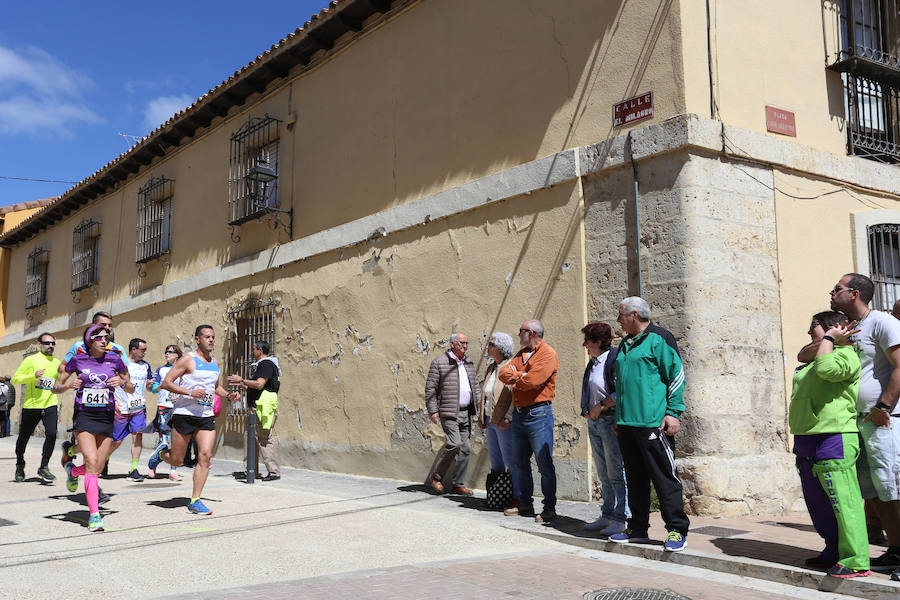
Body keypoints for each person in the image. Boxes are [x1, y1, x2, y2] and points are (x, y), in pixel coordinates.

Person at [825, 273, 900, 581]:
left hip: (884, 420)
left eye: (837, 289)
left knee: (895, 488)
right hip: (856, 421)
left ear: (854, 293)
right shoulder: (846, 327)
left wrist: (884, 405)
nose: (831, 292)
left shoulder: (883, 322)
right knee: (876, 492)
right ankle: (896, 549)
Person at [791, 311, 870, 578]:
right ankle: (834, 549)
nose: (809, 332)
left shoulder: (845, 356)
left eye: (813, 326)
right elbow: (803, 354)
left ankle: (856, 559)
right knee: (818, 502)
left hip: (833, 436)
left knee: (842, 501)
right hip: (807, 437)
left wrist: (829, 339)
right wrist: (826, 339)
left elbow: (826, 369)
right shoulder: (817, 354)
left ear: (831, 329)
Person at [610, 297, 690, 552]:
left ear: (634, 314)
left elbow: (676, 376)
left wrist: (673, 412)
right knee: (635, 478)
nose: (618, 320)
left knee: (664, 477)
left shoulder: (660, 339)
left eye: (621, 315)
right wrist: (618, 417)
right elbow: (622, 385)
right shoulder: (625, 343)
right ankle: (638, 528)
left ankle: (677, 530)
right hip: (626, 424)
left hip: (653, 423)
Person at [148, 325, 239, 515]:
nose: (211, 340)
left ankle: (195, 500)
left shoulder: (215, 362)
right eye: (207, 337)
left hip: (205, 416)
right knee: (177, 459)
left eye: (213, 337)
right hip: (184, 414)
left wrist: (228, 396)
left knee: (204, 457)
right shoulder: (187, 360)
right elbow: (166, 383)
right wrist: (190, 392)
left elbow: (215, 387)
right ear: (197, 339)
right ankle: (161, 454)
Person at [58, 324, 133, 532]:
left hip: (106, 417)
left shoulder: (115, 360)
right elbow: (57, 386)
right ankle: (94, 515)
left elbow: (131, 386)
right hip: (84, 416)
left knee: (97, 468)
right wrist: (67, 386)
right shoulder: (78, 360)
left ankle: (73, 470)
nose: (104, 339)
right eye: (98, 336)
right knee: (91, 461)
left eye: (106, 336)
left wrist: (122, 382)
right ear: (89, 341)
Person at [499, 319, 559, 523]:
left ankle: (549, 508)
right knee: (519, 462)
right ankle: (525, 503)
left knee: (544, 464)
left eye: (521, 331)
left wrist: (518, 376)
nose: (518, 335)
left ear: (532, 333)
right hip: (520, 413)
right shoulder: (520, 354)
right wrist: (522, 375)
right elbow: (502, 373)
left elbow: (534, 381)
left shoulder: (547, 353)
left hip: (539, 414)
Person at [59, 311, 129, 475]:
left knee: (113, 444)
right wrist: (79, 377)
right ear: (92, 327)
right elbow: (63, 367)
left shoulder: (117, 350)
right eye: (103, 325)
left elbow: (125, 376)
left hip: (112, 400)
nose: (107, 329)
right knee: (92, 458)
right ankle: (94, 486)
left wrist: (120, 392)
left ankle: (75, 461)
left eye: (110, 326)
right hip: (85, 404)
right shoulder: (78, 347)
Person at [580, 321, 629, 535]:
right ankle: (607, 514)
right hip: (595, 422)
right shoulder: (593, 362)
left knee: (616, 471)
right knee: (603, 472)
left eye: (588, 340)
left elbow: (621, 391)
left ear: (600, 341)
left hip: (610, 421)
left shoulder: (614, 359)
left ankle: (622, 517)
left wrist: (600, 406)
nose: (584, 345)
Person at [425, 332, 481, 495]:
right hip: (449, 411)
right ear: (452, 344)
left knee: (465, 448)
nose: (465, 346)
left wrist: (479, 404)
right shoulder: (439, 363)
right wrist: (433, 411)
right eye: (462, 343)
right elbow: (430, 389)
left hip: (466, 412)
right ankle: (436, 477)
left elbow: (475, 385)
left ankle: (458, 483)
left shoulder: (468, 362)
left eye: (466, 343)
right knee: (455, 444)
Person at [11, 333, 62, 483]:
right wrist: (33, 375)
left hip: (50, 403)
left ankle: (44, 466)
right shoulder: (30, 360)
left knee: (52, 434)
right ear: (39, 344)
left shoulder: (57, 362)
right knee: (23, 438)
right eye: (47, 343)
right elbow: (16, 378)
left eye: (53, 343)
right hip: (31, 405)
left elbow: (58, 382)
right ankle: (20, 464)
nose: (50, 346)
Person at [227, 340, 282, 481]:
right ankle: (251, 470)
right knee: (250, 438)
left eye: (253, 349)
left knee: (264, 438)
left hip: (261, 408)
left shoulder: (266, 364)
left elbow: (259, 384)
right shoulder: (261, 365)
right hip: (255, 407)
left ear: (259, 350)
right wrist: (241, 384)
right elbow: (255, 387)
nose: (252, 352)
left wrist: (242, 380)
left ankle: (274, 472)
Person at [479, 331, 519, 510]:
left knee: (510, 460)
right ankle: (497, 495)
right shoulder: (491, 368)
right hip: (490, 420)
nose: (488, 347)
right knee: (496, 460)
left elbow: (513, 395)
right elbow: (485, 396)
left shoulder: (510, 367)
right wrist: (481, 417)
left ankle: (517, 497)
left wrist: (508, 418)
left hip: (503, 421)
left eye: (491, 345)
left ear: (500, 349)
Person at [109, 338, 153, 481]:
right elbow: (110, 383)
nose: (145, 353)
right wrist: (113, 401)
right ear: (134, 350)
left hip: (138, 407)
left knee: (137, 436)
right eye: (143, 350)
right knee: (116, 440)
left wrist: (150, 385)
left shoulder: (146, 366)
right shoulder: (121, 364)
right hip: (121, 407)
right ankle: (104, 458)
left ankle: (134, 469)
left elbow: (148, 387)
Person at [148, 345, 183, 480]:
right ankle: (154, 464)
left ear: (177, 355)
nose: (167, 354)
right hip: (164, 406)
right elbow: (155, 389)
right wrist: (158, 386)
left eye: (170, 352)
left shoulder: (183, 370)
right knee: (164, 439)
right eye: (166, 352)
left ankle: (173, 471)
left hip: (178, 407)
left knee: (176, 440)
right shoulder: (161, 370)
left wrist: (179, 396)